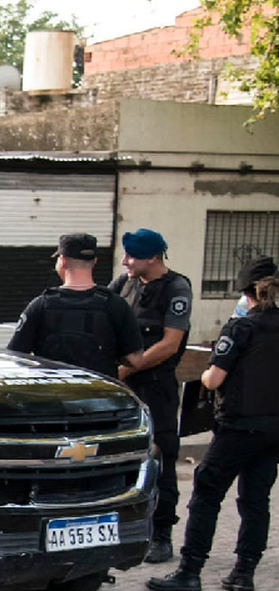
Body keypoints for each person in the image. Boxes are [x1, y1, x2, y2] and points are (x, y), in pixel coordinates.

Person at [147, 258, 279, 591]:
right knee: (256, 500)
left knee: (206, 495)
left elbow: (215, 377)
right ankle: (243, 573)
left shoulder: (240, 328)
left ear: (246, 292)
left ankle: (190, 572)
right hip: (273, 429)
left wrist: (205, 377)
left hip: (237, 426)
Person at [110, 228, 193, 563]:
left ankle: (162, 534)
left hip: (155, 386)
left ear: (152, 258)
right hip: (122, 386)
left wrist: (129, 367)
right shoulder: (123, 285)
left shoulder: (176, 287)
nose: (126, 261)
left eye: (131, 255)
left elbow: (171, 343)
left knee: (161, 458)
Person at [6, 232, 143, 379]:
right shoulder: (115, 304)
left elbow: (15, 357)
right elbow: (134, 360)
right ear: (94, 261)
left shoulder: (41, 305)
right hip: (101, 396)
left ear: (62, 260)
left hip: (55, 396)